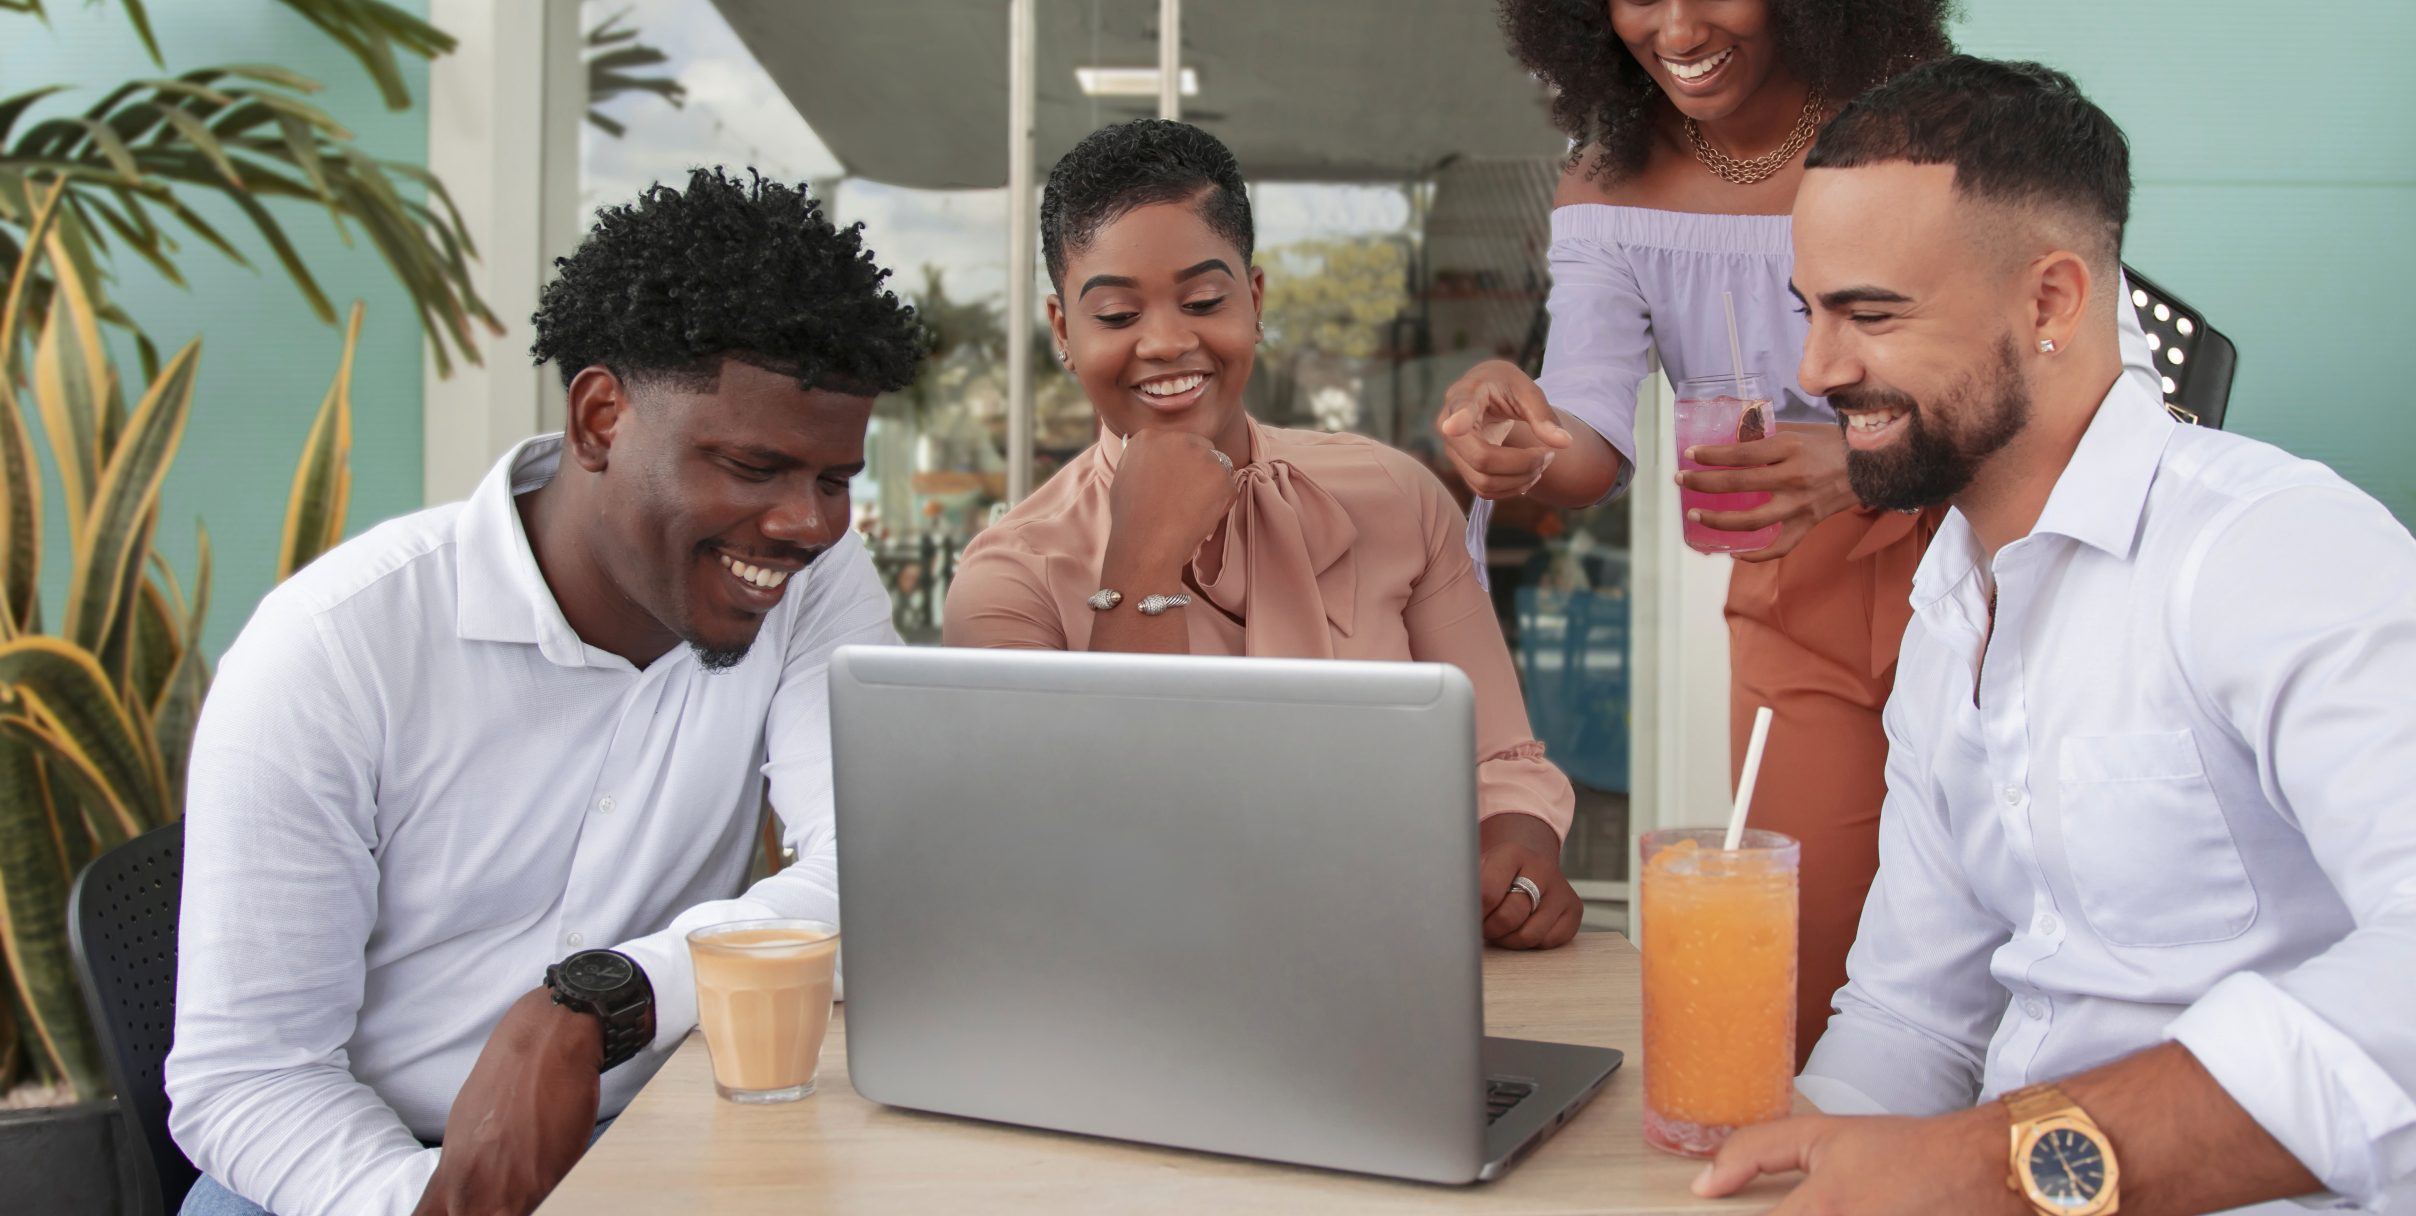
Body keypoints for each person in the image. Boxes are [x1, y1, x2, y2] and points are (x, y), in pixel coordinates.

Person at [1696, 58, 2416, 1214]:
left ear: (2049, 301)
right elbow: (1912, 1017)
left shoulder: (2271, 548)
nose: (1818, 370)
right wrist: (1778, 1170)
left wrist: (1999, 1170)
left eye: (1871, 312)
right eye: (1811, 311)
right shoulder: (1951, 604)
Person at [1436, 0, 2157, 1057]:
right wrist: (1528, 436)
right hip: (1797, 606)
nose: (1676, 28)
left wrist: (1863, 460)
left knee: (2055, 956)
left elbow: (2068, 365)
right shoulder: (1609, 176)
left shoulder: (1919, 133)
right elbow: (1591, 435)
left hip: (1995, 567)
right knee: (1808, 984)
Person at [166, 170, 929, 1216]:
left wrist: (602, 999)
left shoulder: (807, 581)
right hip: (348, 1172)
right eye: (754, 464)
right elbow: (248, 1075)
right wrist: (438, 1199)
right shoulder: (337, 647)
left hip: (658, 1130)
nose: (806, 522)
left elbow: (882, 870)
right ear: (601, 416)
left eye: (835, 479)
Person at [941, 119, 1583, 948]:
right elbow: (1079, 849)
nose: (1168, 340)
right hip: (1152, 1001)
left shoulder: (1395, 497)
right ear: (1065, 333)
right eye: (1117, 312)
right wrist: (1142, 557)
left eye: (1205, 301)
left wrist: (1519, 855)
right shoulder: (1009, 581)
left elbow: (1501, 764)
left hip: (1394, 967)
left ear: (1257, 300)